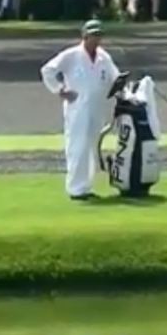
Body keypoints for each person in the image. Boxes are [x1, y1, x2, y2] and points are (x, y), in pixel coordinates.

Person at [40, 20, 121, 201]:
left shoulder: (103, 57)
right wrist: (60, 90)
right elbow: (48, 70)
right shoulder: (71, 55)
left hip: (96, 107)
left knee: (91, 146)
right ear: (84, 36)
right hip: (77, 108)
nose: (96, 40)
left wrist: (123, 89)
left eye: (98, 36)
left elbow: (114, 77)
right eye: (93, 36)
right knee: (77, 146)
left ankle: (85, 186)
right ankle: (75, 188)